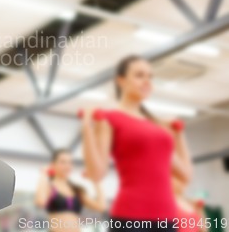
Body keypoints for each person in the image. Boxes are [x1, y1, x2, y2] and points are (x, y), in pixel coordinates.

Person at [81, 55, 193, 232]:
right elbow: (96, 174)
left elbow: (185, 174)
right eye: (139, 75)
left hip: (167, 219)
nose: (147, 81)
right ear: (121, 80)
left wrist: (179, 136)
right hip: (130, 218)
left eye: (150, 77)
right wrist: (87, 127)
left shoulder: (157, 127)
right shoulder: (109, 119)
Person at [35, 149, 106, 232]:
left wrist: (96, 180)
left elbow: (101, 207)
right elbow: (40, 202)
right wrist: (44, 174)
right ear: (53, 164)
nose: (67, 166)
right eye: (63, 162)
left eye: (70, 162)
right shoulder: (50, 187)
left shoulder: (77, 190)